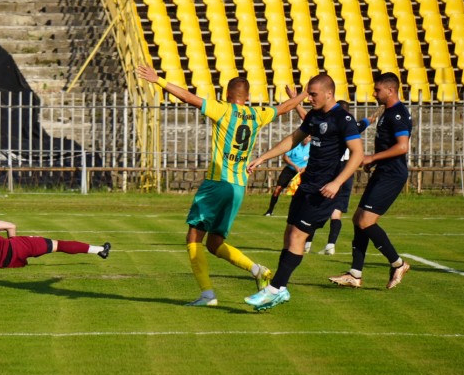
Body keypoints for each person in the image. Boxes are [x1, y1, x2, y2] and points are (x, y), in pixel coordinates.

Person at [136, 64, 307, 306]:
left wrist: (159, 80)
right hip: (238, 187)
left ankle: (207, 295)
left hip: (217, 183)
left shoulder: (223, 110)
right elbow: (286, 107)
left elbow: (187, 96)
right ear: (247, 97)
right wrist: (302, 95)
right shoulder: (257, 114)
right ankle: (258, 271)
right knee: (215, 243)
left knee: (193, 237)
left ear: (227, 95)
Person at [244, 74, 364, 311]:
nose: (308, 98)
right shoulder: (314, 115)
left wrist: (337, 183)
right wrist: (262, 157)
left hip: (324, 190)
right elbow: (292, 139)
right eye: (308, 93)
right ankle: (280, 288)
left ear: (329, 93)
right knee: (290, 234)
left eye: (313, 94)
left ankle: (275, 289)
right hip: (306, 184)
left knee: (298, 236)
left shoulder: (344, 118)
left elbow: (358, 153)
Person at [329, 72, 413, 289]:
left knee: (366, 221)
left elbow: (403, 146)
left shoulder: (397, 114)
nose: (374, 94)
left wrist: (372, 157)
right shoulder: (388, 112)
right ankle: (355, 274)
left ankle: (398, 263)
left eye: (377, 90)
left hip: (392, 174)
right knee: (358, 219)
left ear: (390, 90)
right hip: (383, 171)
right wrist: (374, 162)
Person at [293, 97, 383, 254]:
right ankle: (330, 245)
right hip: (347, 173)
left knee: (315, 205)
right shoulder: (354, 125)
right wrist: (377, 113)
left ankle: (308, 242)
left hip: (334, 171)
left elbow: (307, 119)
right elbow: (369, 120)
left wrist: (296, 103)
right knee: (336, 210)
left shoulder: (337, 124)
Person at [0, 213, 110, 268]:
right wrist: (14, 244)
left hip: (5, 266)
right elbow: (11, 226)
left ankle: (20, 257)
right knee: (57, 245)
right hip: (15, 248)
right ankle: (99, 250)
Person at [263, 136, 311, 217]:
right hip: (290, 169)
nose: (306, 139)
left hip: (302, 172)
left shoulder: (312, 147)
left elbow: (314, 159)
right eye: (305, 137)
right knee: (277, 189)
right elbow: (285, 157)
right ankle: (270, 210)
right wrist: (295, 166)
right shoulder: (295, 145)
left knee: (297, 192)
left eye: (309, 138)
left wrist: (305, 168)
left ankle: (296, 212)